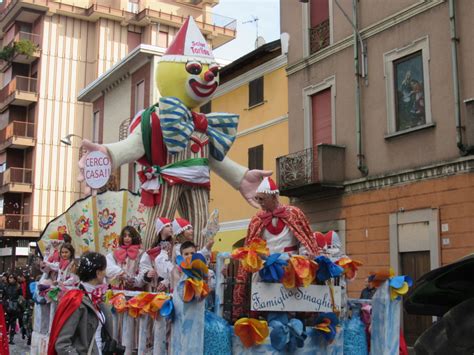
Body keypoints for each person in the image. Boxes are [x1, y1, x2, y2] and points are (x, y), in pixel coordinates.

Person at [78, 16, 271, 251]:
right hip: (167, 179)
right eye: (195, 70)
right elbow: (134, 145)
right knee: (155, 227)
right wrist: (109, 154)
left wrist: (240, 177)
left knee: (200, 230)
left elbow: (213, 159)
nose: (208, 76)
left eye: (212, 71)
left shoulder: (203, 124)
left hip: (199, 182)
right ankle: (144, 271)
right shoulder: (157, 117)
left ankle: (198, 269)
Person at [233, 177, 319, 319]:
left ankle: (298, 318)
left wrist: (305, 255)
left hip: (289, 264)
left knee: (293, 297)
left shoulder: (294, 213)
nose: (259, 203)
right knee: (259, 290)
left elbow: (305, 239)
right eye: (258, 199)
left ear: (274, 197)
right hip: (266, 265)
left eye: (262, 199)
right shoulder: (257, 219)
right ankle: (259, 316)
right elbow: (252, 245)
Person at [48, 252, 114, 355]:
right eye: (104, 269)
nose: (106, 273)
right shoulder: (76, 301)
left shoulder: (96, 298)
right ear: (98, 273)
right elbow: (62, 344)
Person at [138, 217, 173, 292]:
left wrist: (168, 280)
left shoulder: (174, 247)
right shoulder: (153, 249)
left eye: (171, 225)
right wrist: (147, 273)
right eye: (167, 226)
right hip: (156, 287)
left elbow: (176, 266)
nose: (171, 228)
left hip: (171, 286)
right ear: (160, 230)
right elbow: (144, 265)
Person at [106, 226, 144, 290]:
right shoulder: (116, 252)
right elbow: (108, 265)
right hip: (118, 288)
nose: (127, 238)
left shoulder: (140, 253)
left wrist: (134, 281)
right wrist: (118, 273)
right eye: (125, 236)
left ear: (134, 237)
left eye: (129, 236)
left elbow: (143, 270)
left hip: (134, 288)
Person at [2, 274, 23, 344]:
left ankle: (11, 339)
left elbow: (21, 297)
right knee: (6, 323)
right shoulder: (5, 287)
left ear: (15, 279)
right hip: (7, 307)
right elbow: (3, 297)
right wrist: (5, 303)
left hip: (15, 307)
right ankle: (6, 337)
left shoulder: (18, 287)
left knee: (13, 323)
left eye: (12, 278)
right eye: (9, 278)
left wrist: (18, 304)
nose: (10, 279)